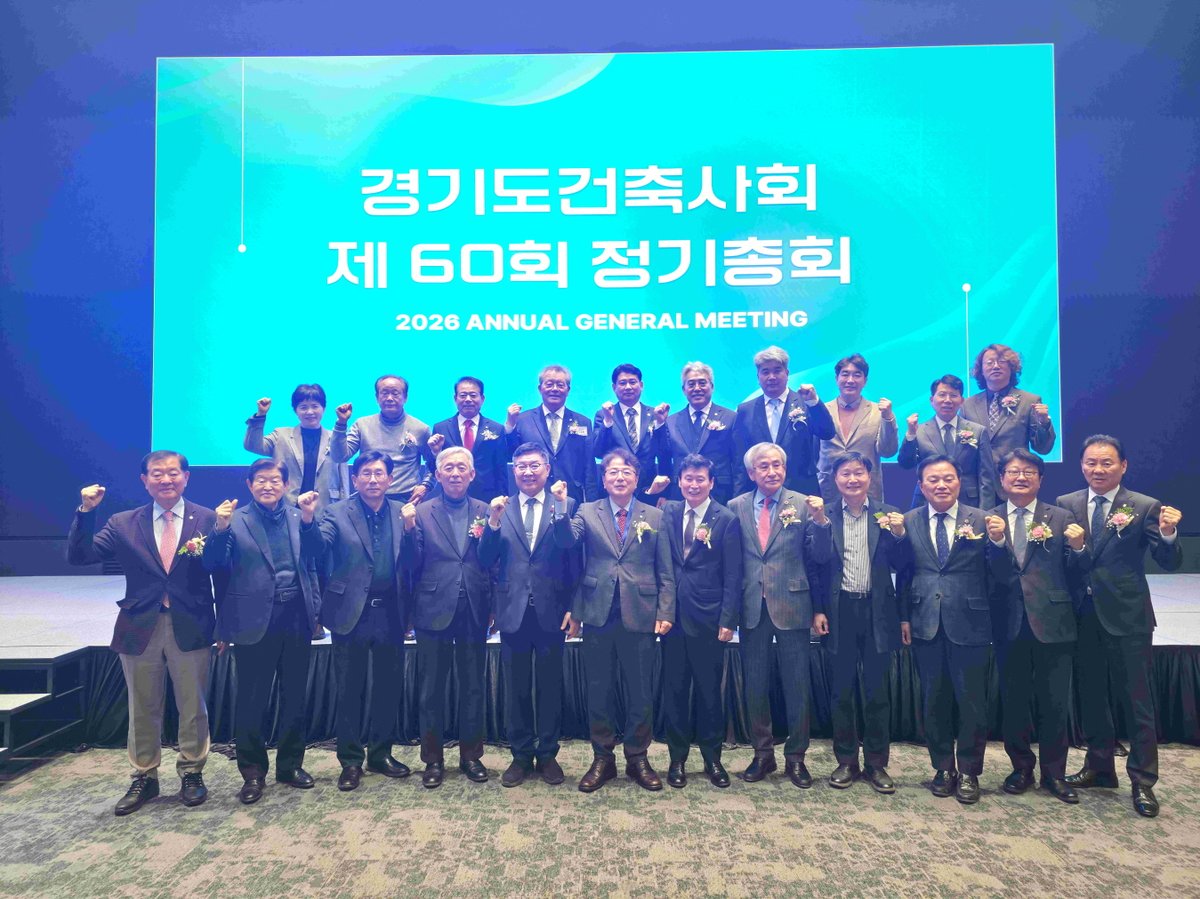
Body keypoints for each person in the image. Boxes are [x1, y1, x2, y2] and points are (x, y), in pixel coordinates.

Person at [67, 451, 218, 816]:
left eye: (173, 473)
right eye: (157, 474)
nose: (166, 480)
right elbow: (81, 556)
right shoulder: (122, 522)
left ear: (186, 477)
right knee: (142, 707)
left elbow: (224, 570)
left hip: (191, 623)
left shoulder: (208, 519)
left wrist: (225, 625)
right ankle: (144, 776)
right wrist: (86, 512)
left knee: (193, 705)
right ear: (144, 481)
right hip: (139, 626)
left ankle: (192, 772)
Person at [1058, 435, 1183, 817]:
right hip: (1082, 616)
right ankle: (1099, 767)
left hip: (1128, 616)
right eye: (1091, 462)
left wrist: (1168, 534)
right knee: (1091, 695)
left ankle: (1143, 781)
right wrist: (1077, 550)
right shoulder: (1066, 504)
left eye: (1106, 462)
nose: (1098, 469)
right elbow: (1065, 561)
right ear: (1081, 465)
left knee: (1137, 700)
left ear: (1123, 466)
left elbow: (1169, 561)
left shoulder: (1144, 506)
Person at [552, 448, 675, 792]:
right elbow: (565, 542)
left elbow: (665, 569)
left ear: (637, 479)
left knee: (640, 690)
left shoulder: (656, 515)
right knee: (599, 688)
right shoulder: (586, 511)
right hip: (597, 610)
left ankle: (638, 758)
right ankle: (602, 758)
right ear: (604, 480)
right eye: (613, 473)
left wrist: (666, 610)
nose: (620, 477)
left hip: (642, 612)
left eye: (626, 472)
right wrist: (560, 506)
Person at [202, 459, 320, 804]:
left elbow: (315, 561)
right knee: (252, 701)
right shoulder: (233, 520)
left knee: (295, 697)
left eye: (274, 480)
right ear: (249, 485)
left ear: (286, 485)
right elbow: (213, 566)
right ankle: (252, 773)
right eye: (261, 481)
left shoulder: (299, 516)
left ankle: (290, 766)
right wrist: (220, 528)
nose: (268, 486)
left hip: (296, 616)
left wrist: (316, 611)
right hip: (253, 620)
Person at [898, 455, 1007, 804]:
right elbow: (904, 574)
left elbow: (998, 573)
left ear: (959, 482)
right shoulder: (909, 520)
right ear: (921, 485)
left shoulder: (982, 520)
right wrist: (903, 617)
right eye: (933, 480)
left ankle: (970, 771)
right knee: (934, 699)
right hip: (925, 621)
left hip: (971, 621)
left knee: (972, 701)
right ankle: (943, 767)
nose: (941, 485)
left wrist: (999, 542)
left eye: (948, 478)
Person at [300, 451, 409, 792]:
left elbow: (412, 559)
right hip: (350, 612)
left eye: (379, 473)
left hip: (391, 611)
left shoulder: (402, 511)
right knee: (350, 689)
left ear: (390, 479)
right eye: (366, 473)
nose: (373, 479)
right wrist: (307, 519)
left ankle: (380, 754)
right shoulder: (335, 512)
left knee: (388, 687)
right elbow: (317, 548)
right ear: (355, 478)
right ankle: (350, 761)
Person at [986, 449, 1089, 804]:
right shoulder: (989, 519)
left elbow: (1077, 573)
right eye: (1013, 471)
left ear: (1040, 479)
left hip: (1053, 622)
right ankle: (1021, 767)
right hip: (1008, 623)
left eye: (1028, 472)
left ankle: (1054, 774)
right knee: (1014, 701)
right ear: (1001, 479)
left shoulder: (1061, 518)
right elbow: (990, 573)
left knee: (1054, 703)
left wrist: (1079, 548)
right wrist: (996, 543)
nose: (1020, 477)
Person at [477, 442, 581, 787]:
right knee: (517, 687)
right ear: (514, 470)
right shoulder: (500, 508)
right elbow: (485, 558)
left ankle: (548, 754)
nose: (528, 472)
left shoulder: (565, 504)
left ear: (547, 469)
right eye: (521, 466)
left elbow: (573, 558)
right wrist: (492, 521)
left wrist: (574, 608)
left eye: (535, 465)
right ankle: (520, 755)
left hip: (553, 609)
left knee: (550, 686)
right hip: (512, 610)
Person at [728, 442, 830, 788]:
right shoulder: (735, 506)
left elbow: (819, 558)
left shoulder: (803, 504)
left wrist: (821, 521)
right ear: (751, 473)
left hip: (793, 605)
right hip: (751, 607)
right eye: (764, 466)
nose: (772, 471)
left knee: (797, 685)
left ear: (785, 469)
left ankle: (796, 757)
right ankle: (762, 753)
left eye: (777, 465)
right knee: (755, 685)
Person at [400, 447, 494, 788]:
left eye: (461, 468)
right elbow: (410, 564)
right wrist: (408, 529)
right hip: (432, 607)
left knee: (473, 685)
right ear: (438, 475)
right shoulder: (421, 512)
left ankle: (471, 756)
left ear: (472, 475)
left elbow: (492, 561)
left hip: (474, 607)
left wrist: (494, 606)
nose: (455, 473)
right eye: (448, 468)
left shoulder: (486, 510)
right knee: (431, 688)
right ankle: (433, 760)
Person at [820, 452, 912, 794]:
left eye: (858, 472)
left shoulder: (888, 515)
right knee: (841, 690)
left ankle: (876, 763)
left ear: (869, 477)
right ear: (836, 480)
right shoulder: (827, 515)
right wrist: (818, 610)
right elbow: (817, 567)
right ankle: (846, 761)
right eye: (845, 473)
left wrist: (900, 534)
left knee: (877, 691)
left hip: (878, 610)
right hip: (840, 609)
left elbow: (905, 567)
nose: (852, 479)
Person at [658, 454, 742, 789]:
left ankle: (712, 758)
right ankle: (677, 759)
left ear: (711, 483)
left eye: (700, 479)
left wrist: (729, 618)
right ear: (680, 482)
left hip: (709, 618)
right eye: (688, 479)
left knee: (709, 693)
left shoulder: (726, 519)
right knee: (675, 691)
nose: (694, 485)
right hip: (672, 618)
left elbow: (733, 574)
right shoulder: (668, 512)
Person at [733, 346, 833, 497]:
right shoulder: (745, 410)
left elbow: (827, 432)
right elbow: (740, 459)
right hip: (760, 492)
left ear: (787, 373)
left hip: (802, 490)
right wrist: (739, 497)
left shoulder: (806, 402)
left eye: (777, 370)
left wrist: (814, 403)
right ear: (758, 377)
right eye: (765, 372)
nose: (771, 377)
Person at [961, 344, 1056, 500]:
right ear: (981, 370)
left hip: (1013, 485)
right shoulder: (967, 405)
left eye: (1002, 361)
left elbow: (1043, 448)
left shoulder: (1029, 401)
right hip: (977, 489)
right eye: (989, 362)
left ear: (1012, 367)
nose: (995, 366)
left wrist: (1044, 422)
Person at [330, 374, 439, 503]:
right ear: (377, 397)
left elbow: (434, 463)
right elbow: (339, 457)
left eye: (395, 393)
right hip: (368, 497)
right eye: (384, 393)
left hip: (406, 498)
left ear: (405, 397)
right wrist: (341, 423)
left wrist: (426, 485)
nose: (389, 398)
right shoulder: (362, 425)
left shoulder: (420, 428)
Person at [243, 384, 349, 514]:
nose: (309, 412)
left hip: (325, 510)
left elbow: (343, 479)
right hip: (287, 510)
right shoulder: (281, 436)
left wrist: (345, 510)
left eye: (315, 406)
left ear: (324, 408)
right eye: (303, 407)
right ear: (295, 411)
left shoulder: (336, 438)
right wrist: (261, 415)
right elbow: (252, 445)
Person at [897, 374, 997, 510]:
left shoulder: (978, 431)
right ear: (932, 400)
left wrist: (985, 512)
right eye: (942, 395)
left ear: (962, 401)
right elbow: (906, 463)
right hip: (927, 503)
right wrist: (910, 435)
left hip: (968, 504)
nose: (948, 400)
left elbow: (986, 477)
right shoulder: (918, 431)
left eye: (953, 395)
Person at [505, 364, 597, 503]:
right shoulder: (523, 420)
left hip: (571, 496)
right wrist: (510, 425)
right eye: (549, 384)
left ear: (568, 390)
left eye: (560, 385)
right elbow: (510, 455)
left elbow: (589, 466)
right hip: (534, 495)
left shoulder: (583, 422)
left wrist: (592, 503)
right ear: (540, 388)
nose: (554, 389)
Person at [816, 353, 898, 503]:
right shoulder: (821, 410)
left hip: (867, 492)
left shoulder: (879, 411)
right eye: (845, 374)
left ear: (865, 381)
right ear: (836, 378)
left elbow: (888, 452)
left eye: (857, 375)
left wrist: (888, 418)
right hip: (827, 491)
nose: (850, 380)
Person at [592, 363, 673, 504]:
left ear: (641, 385)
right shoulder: (604, 415)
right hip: (615, 488)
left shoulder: (655, 414)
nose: (628, 387)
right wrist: (608, 421)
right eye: (622, 383)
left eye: (632, 382)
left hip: (649, 489)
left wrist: (660, 423)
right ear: (614, 387)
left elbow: (665, 454)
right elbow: (598, 452)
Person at [664, 361, 738, 504]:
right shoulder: (671, 422)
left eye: (702, 383)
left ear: (712, 386)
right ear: (684, 389)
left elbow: (738, 463)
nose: (697, 388)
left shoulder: (730, 418)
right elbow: (665, 461)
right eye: (691, 384)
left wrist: (738, 497)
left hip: (721, 496)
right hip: (680, 497)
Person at [431, 376, 510, 503]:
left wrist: (503, 499)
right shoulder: (441, 428)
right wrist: (436, 453)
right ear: (455, 398)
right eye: (463, 395)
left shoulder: (496, 429)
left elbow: (501, 470)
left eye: (473, 395)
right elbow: (435, 469)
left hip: (486, 499)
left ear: (482, 399)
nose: (468, 399)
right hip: (451, 498)